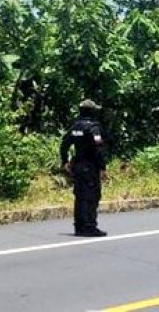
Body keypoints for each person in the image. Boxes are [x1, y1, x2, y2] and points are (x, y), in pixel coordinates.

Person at [59, 99, 108, 237]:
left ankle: (79, 226)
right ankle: (90, 226)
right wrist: (103, 167)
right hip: (90, 166)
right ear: (92, 111)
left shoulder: (75, 127)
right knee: (92, 196)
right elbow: (98, 150)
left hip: (78, 166)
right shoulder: (93, 128)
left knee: (80, 196)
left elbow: (64, 144)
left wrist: (65, 161)